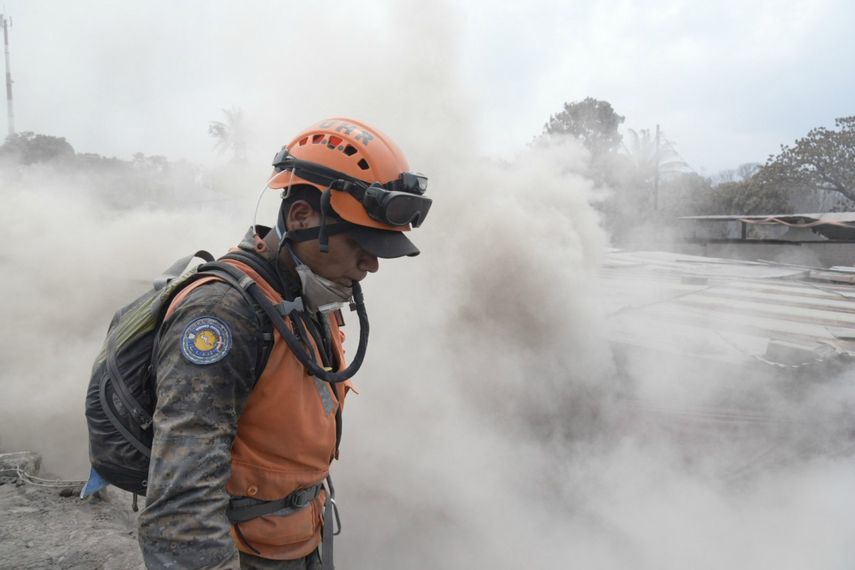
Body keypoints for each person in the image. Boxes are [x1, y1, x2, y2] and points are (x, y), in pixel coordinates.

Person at [137, 118, 431, 569]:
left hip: (300, 538)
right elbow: (181, 507)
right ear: (301, 217)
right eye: (361, 242)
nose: (372, 263)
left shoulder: (304, 296)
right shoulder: (223, 315)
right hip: (246, 554)